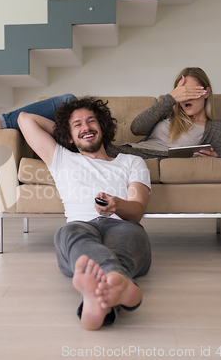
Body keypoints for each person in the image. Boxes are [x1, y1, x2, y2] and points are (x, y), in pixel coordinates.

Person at [17, 97, 152, 330]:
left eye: (91, 122)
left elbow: (137, 211)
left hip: (123, 225)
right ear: (68, 136)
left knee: (129, 238)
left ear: (103, 127)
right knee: (69, 234)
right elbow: (24, 118)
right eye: (77, 124)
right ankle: (119, 287)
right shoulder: (61, 157)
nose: (86, 127)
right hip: (80, 225)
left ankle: (94, 300)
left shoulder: (132, 162)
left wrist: (117, 205)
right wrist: (65, 132)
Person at [0, 67, 221, 159]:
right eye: (182, 92)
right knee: (67, 100)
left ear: (206, 93)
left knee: (66, 101)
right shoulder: (167, 114)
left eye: (192, 91)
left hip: (119, 157)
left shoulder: (215, 128)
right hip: (117, 149)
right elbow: (140, 128)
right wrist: (170, 99)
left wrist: (214, 162)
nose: (185, 98)